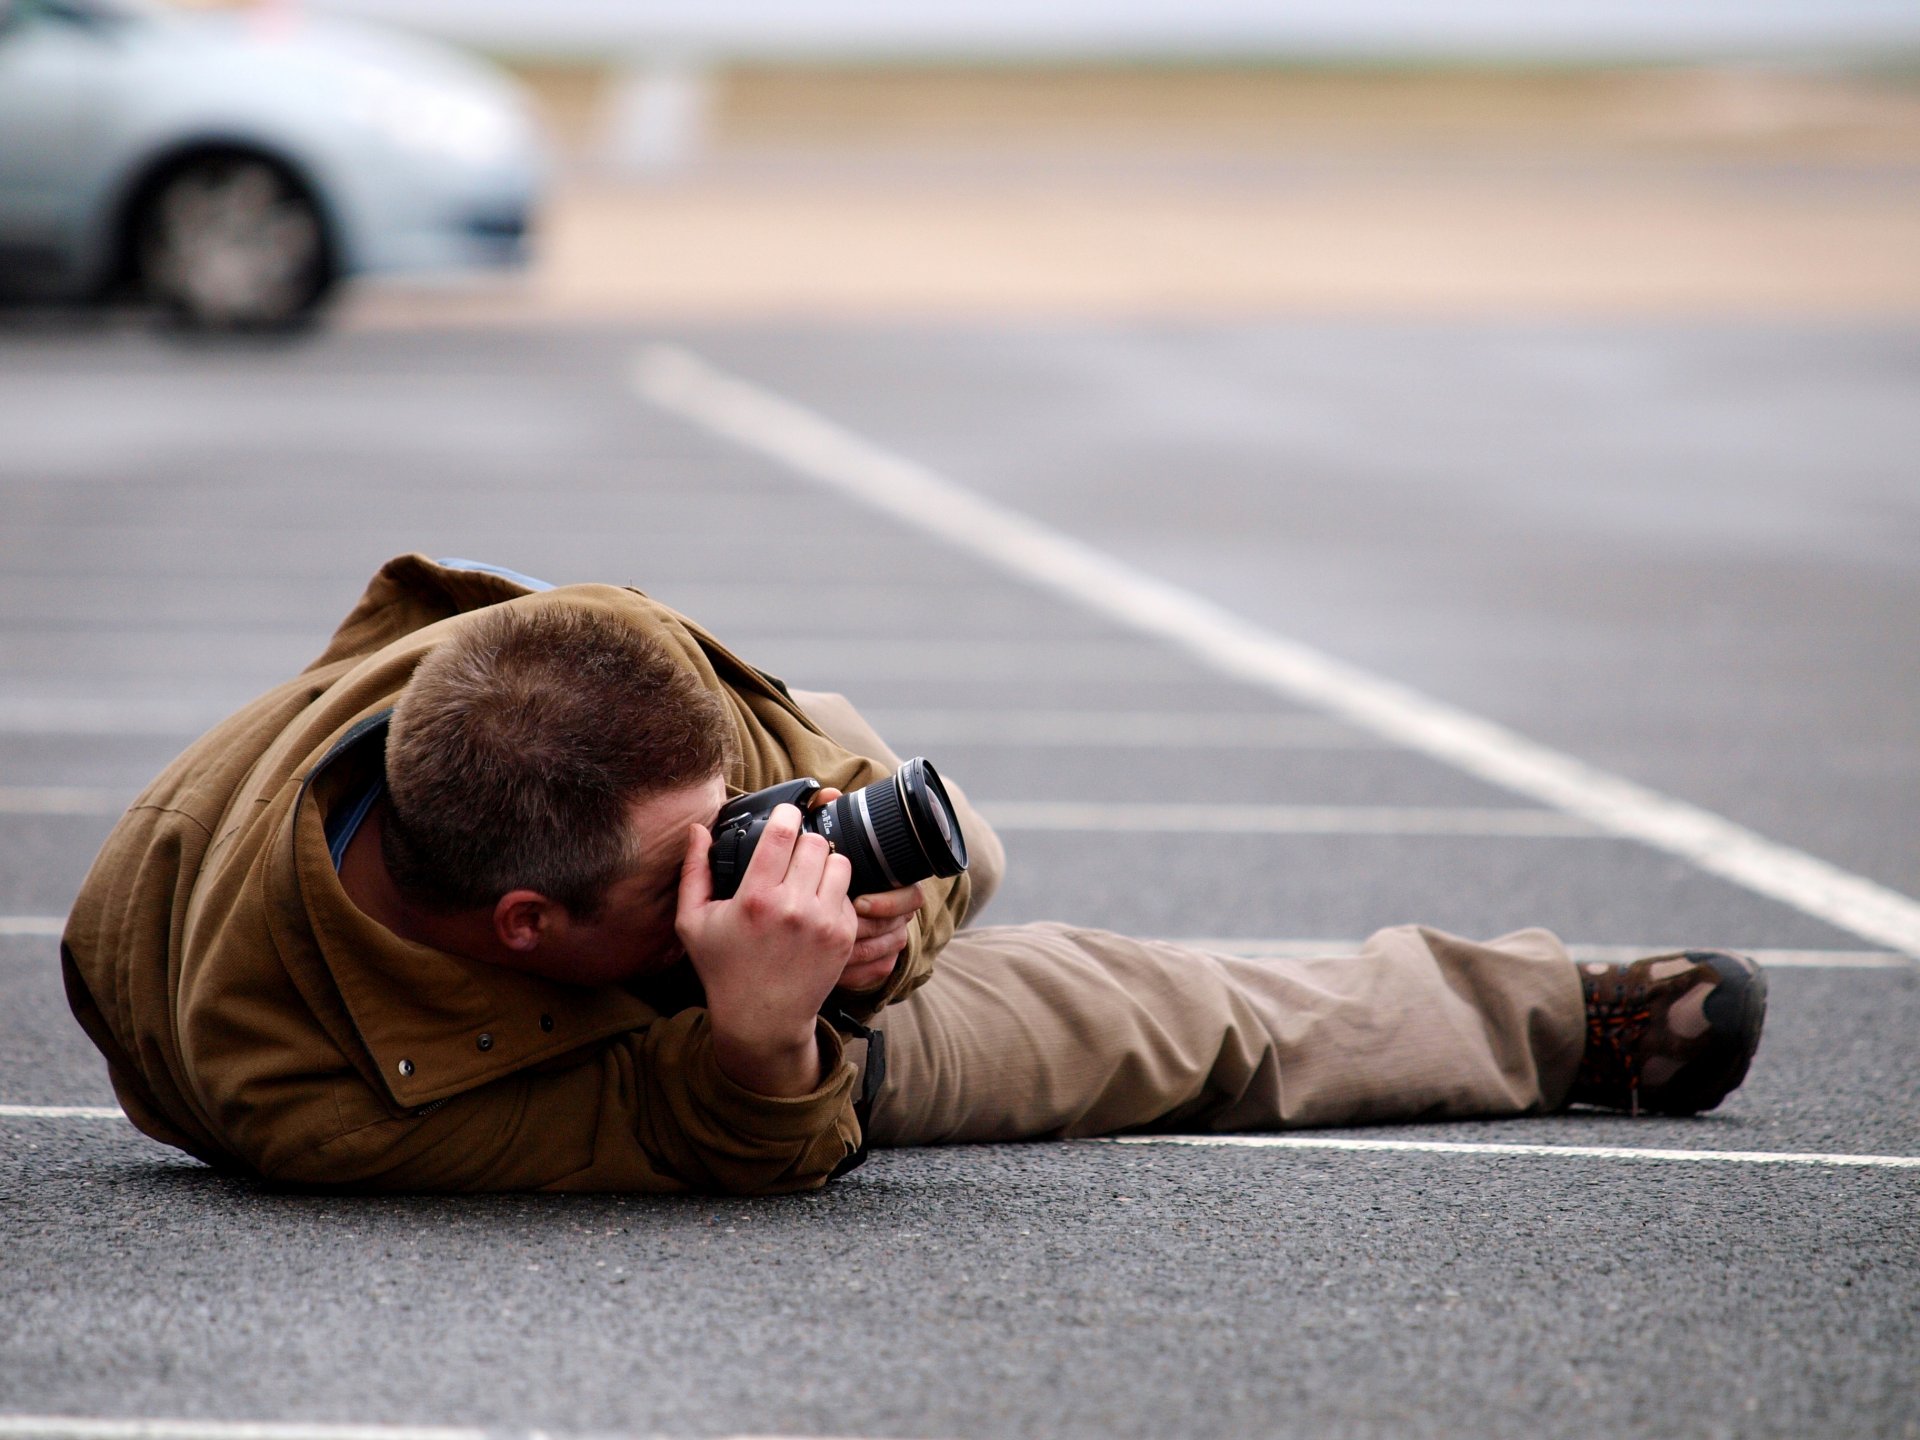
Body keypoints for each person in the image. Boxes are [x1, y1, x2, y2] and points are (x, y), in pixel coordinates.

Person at [62, 555, 1769, 1194]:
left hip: (641, 882)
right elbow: (706, 1148)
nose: (761, 852)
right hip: (584, 1056)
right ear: (531, 928)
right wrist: (763, 1040)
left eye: (738, 809)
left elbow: (903, 824)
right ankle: (1553, 1024)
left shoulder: (605, 671)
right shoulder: (319, 1100)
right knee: (1150, 1031)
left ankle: (1556, 1015)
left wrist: (877, 935)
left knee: (1062, 927)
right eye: (705, 861)